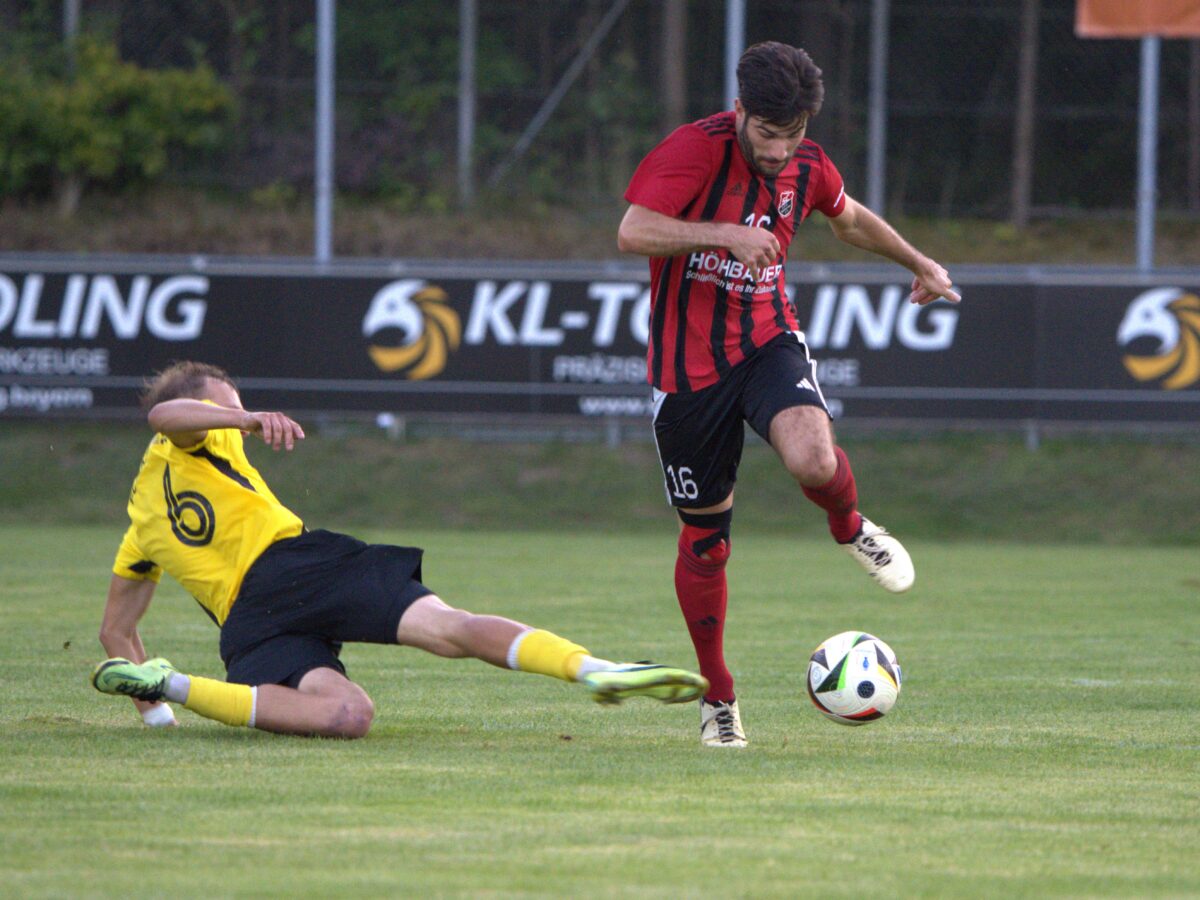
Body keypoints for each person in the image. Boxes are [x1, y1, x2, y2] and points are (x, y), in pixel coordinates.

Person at [616, 42, 961, 748]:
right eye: (767, 134)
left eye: (792, 134)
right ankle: (718, 697)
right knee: (707, 544)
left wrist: (918, 261)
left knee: (813, 456)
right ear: (739, 112)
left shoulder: (808, 161)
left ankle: (849, 525)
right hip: (687, 373)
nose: (778, 150)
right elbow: (633, 231)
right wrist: (723, 236)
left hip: (767, 340)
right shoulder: (692, 152)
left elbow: (850, 218)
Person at [91, 361, 707, 738]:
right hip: (294, 571)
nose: (239, 414)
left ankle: (172, 687)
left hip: (252, 623)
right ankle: (595, 668)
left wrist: (157, 717)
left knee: (380, 687)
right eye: (229, 403)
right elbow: (167, 416)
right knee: (428, 647)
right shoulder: (199, 438)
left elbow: (116, 634)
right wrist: (244, 420)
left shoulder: (139, 524)